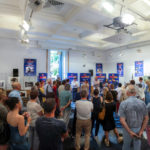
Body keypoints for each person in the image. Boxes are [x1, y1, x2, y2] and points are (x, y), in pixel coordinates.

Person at [119, 85, 149, 150]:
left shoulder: (123, 104)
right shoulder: (142, 103)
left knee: (126, 146)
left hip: (127, 129)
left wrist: (130, 132)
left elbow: (122, 120)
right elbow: (146, 118)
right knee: (137, 147)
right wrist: (141, 131)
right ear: (135, 93)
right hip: (138, 129)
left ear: (127, 93)